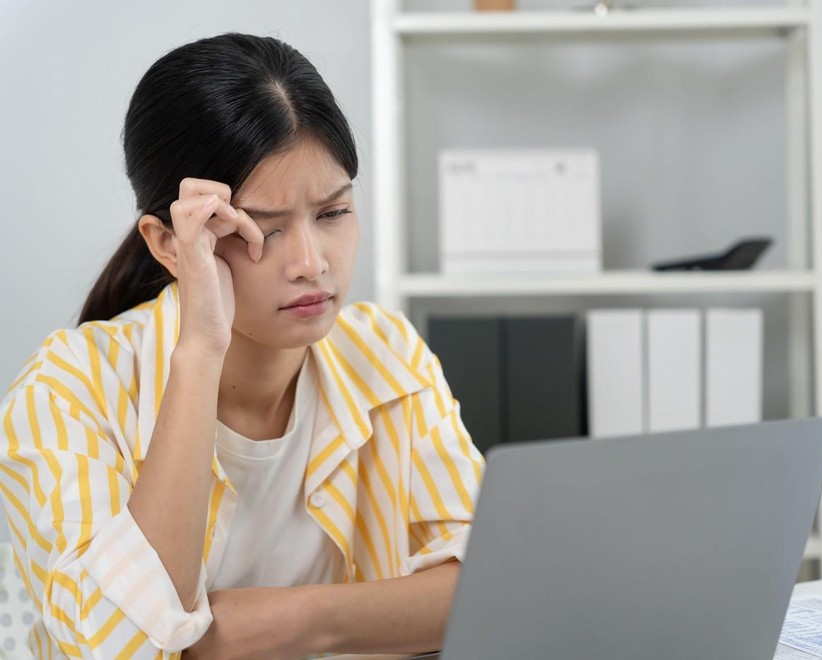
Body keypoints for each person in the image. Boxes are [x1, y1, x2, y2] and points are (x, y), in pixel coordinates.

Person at [0, 33, 484, 658]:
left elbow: (488, 586)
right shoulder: (64, 390)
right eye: (265, 230)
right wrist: (200, 349)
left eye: (333, 214)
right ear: (171, 243)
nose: (311, 263)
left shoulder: (385, 352)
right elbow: (121, 644)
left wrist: (299, 620)